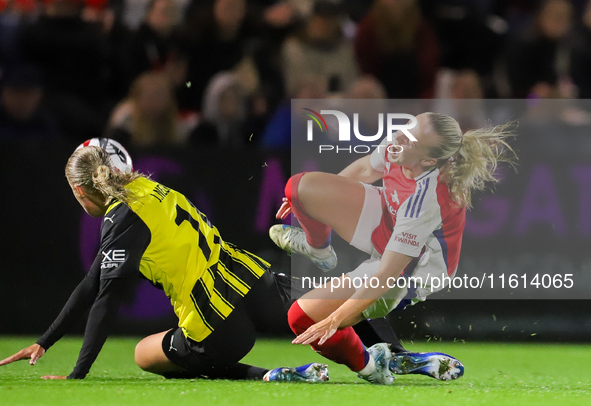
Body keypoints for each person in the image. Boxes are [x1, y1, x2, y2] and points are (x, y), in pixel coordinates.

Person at [0, 142, 406, 382]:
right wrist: (45, 340)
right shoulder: (147, 187)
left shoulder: (121, 215)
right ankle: (395, 351)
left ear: (79, 191)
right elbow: (92, 281)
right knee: (321, 303)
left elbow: (106, 299)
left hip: (216, 322)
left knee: (144, 353)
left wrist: (77, 374)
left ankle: (265, 375)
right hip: (251, 282)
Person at [270, 112, 517, 384]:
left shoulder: (427, 200)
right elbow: (366, 170)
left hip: (414, 269)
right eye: (406, 127)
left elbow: (386, 274)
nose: (400, 135)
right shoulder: (402, 144)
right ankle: (317, 248)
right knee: (299, 188)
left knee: (300, 319)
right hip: (389, 218)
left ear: (427, 161)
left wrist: (337, 318)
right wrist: (317, 209)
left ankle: (371, 366)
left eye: (411, 138)